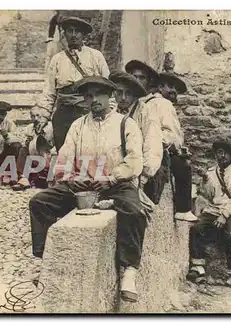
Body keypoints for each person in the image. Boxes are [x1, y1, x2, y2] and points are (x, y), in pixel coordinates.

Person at [30, 76, 147, 303]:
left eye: (98, 95)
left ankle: (129, 271)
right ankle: (40, 260)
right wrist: (72, 178)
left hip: (115, 184)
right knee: (39, 202)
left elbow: (134, 161)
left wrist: (111, 178)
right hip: (83, 185)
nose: (93, 100)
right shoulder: (78, 125)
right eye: (88, 96)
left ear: (109, 96)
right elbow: (64, 159)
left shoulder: (125, 124)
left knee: (134, 211)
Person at [125, 60, 197, 222]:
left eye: (176, 89)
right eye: (169, 87)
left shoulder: (150, 103)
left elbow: (169, 135)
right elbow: (172, 136)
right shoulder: (155, 103)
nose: (173, 92)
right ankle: (182, 208)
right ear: (159, 87)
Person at [187, 139, 231, 292]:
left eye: (224, 153)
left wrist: (224, 215)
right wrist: (205, 182)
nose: (221, 156)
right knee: (197, 229)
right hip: (214, 210)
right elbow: (209, 196)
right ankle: (198, 267)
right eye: (218, 153)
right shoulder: (211, 172)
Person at [39, 16, 110, 151]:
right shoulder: (57, 59)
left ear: (83, 35)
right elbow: (49, 91)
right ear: (64, 34)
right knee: (64, 153)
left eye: (77, 31)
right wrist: (44, 117)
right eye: (69, 31)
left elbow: (108, 87)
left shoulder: (96, 56)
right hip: (64, 114)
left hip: (88, 112)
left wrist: (108, 113)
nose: (73, 35)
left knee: (88, 151)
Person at [109, 71, 164, 193]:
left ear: (134, 95)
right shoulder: (111, 112)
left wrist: (144, 176)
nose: (123, 98)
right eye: (119, 93)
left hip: (139, 169)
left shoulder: (145, 112)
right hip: (116, 169)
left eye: (127, 93)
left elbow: (152, 144)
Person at [12, 106, 55, 191]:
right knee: (23, 149)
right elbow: (25, 143)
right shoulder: (29, 128)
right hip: (34, 154)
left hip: (48, 155)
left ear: (43, 116)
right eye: (33, 116)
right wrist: (27, 143)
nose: (36, 118)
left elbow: (55, 145)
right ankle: (23, 178)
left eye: (38, 115)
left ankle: (51, 180)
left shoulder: (51, 128)